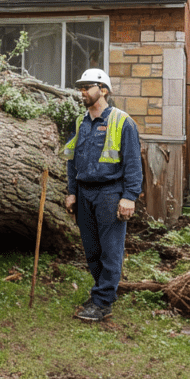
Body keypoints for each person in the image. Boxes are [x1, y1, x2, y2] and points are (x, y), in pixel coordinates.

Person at [63, 68, 143, 322]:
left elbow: (133, 163)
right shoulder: (80, 122)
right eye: (81, 87)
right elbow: (72, 161)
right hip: (85, 194)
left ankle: (102, 302)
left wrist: (129, 197)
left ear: (104, 90)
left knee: (110, 251)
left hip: (110, 193)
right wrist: (72, 192)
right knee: (92, 250)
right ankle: (102, 293)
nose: (82, 92)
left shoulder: (122, 121)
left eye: (87, 87)